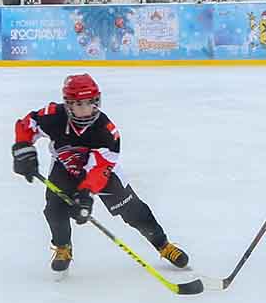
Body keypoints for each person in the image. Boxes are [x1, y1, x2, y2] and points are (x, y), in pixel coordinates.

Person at [11, 73, 188, 275]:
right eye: (79, 104)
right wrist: (23, 149)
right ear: (68, 104)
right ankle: (63, 247)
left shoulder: (107, 131)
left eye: (90, 103)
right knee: (54, 210)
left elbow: (99, 169)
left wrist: (85, 195)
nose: (86, 109)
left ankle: (163, 244)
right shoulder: (53, 116)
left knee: (134, 211)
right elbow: (28, 124)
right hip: (65, 168)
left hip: (102, 174)